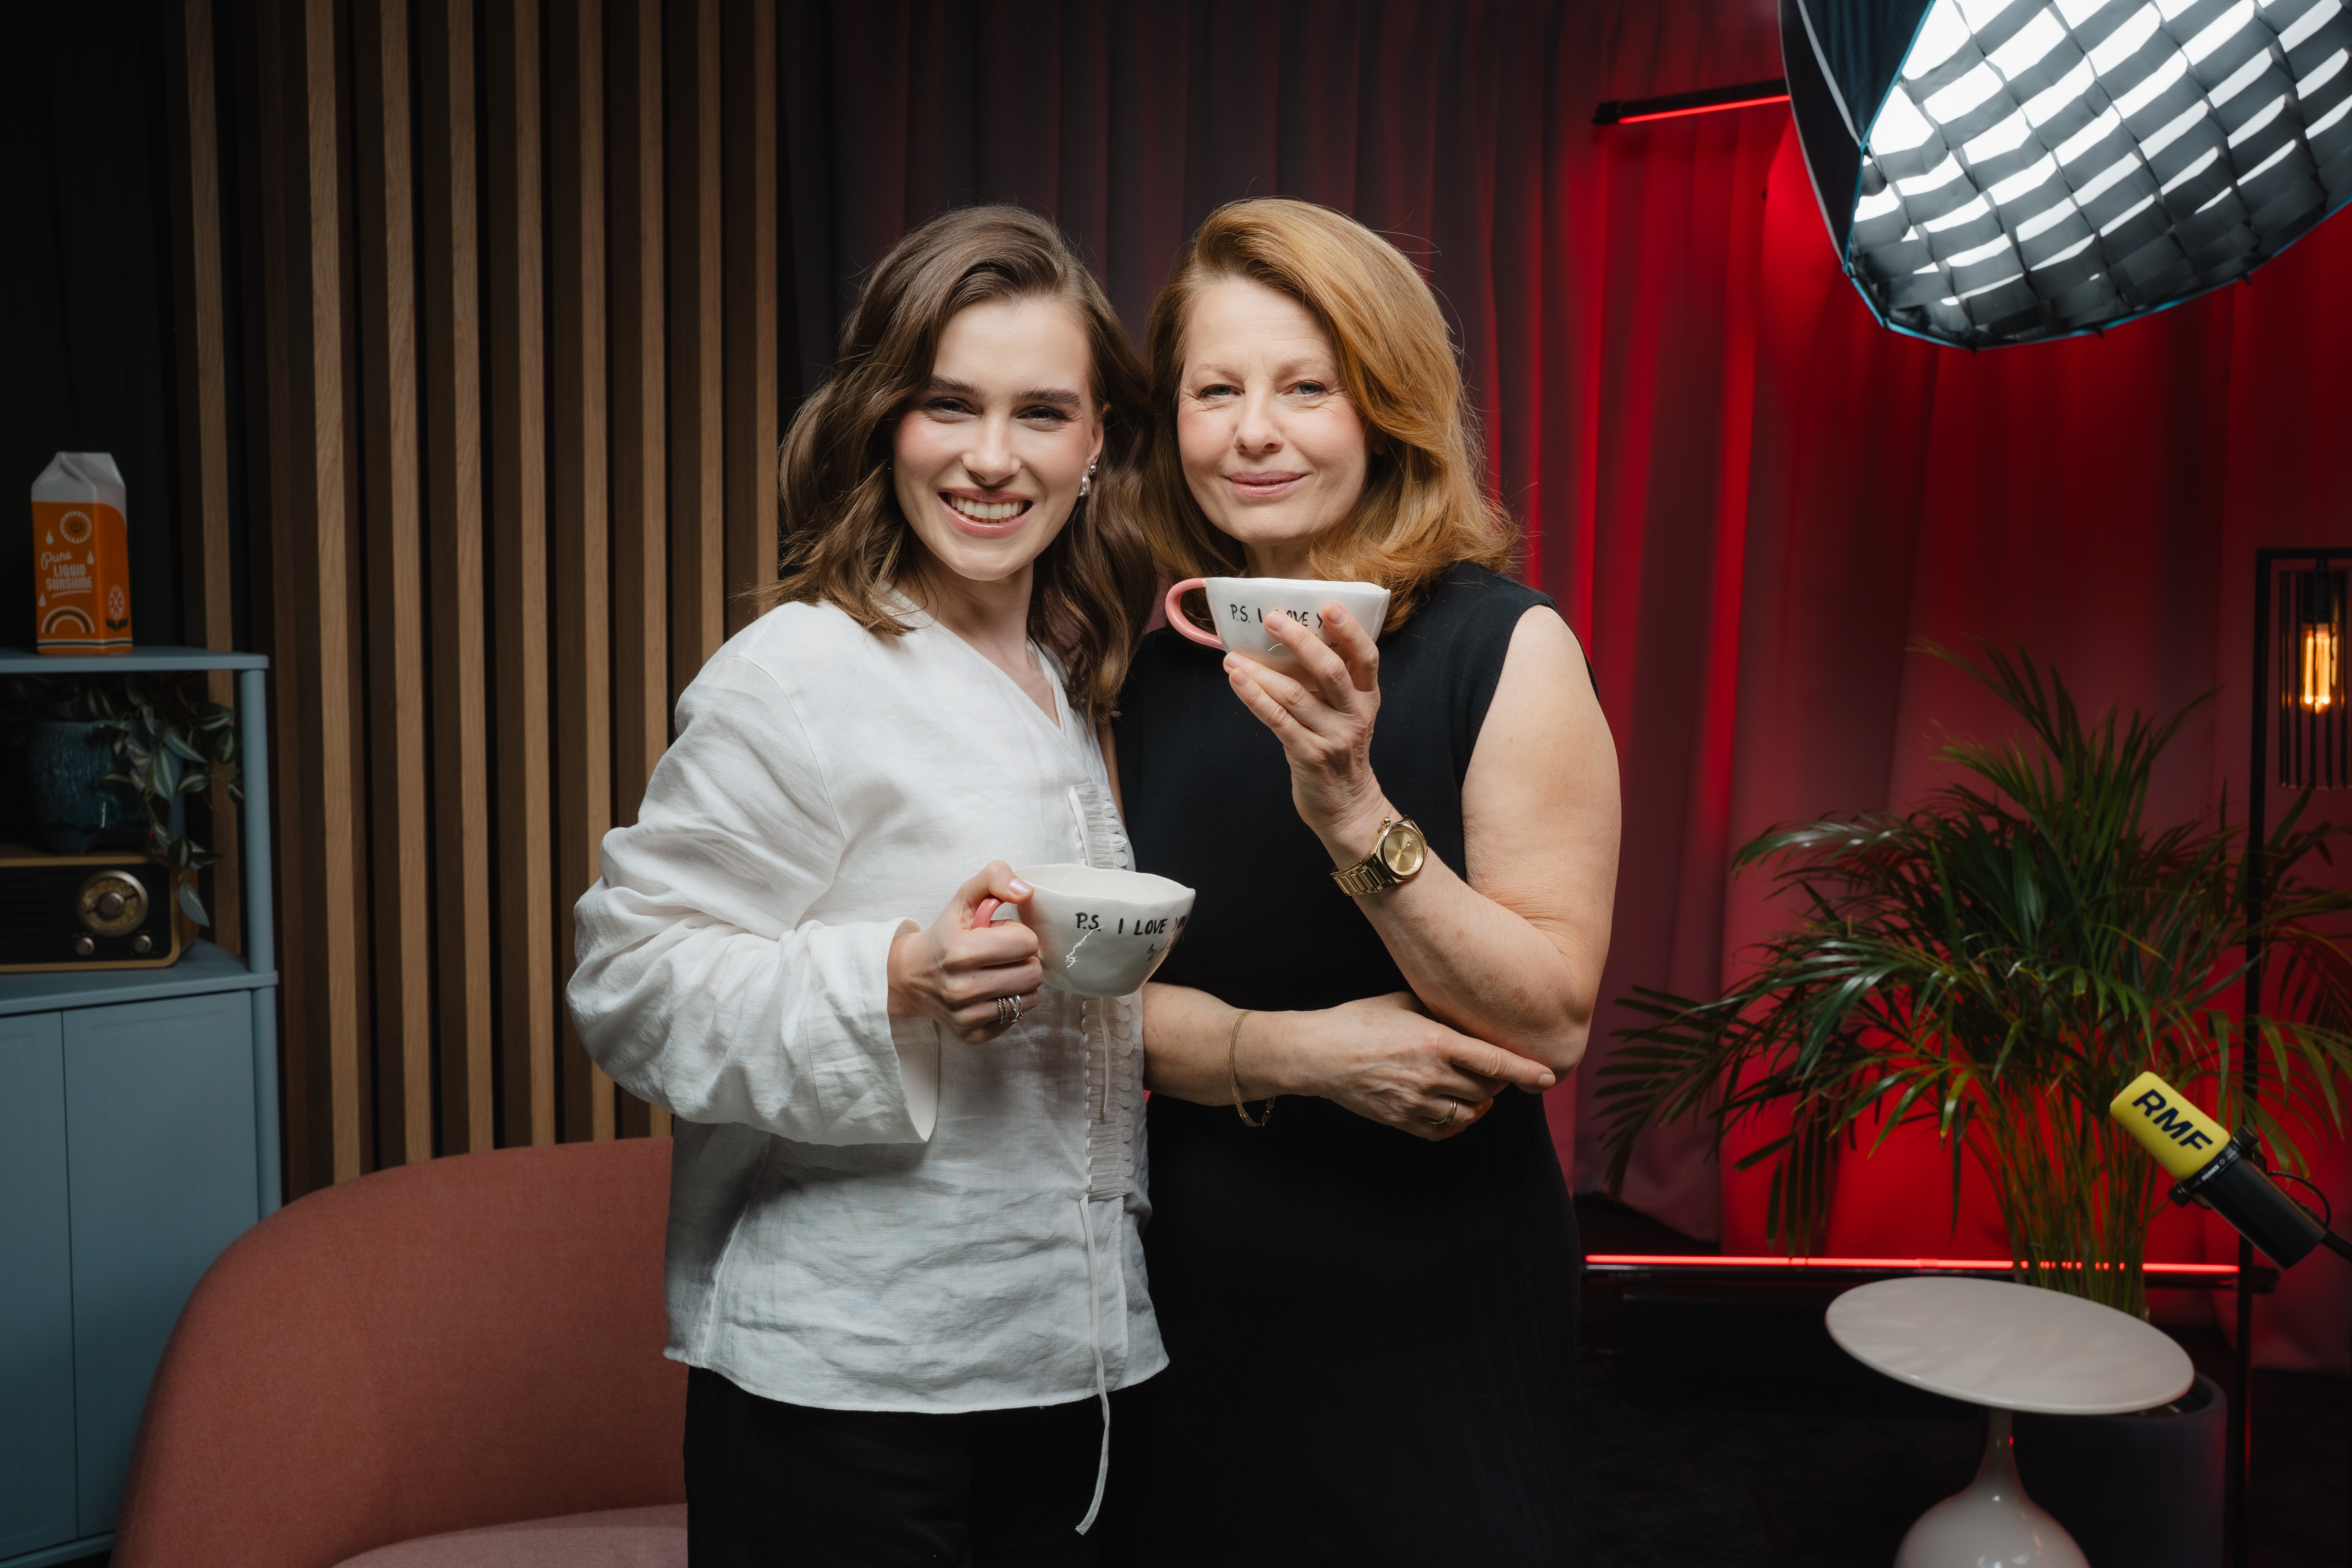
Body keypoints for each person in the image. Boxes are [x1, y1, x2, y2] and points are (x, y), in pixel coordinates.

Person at [568, 205, 1164, 1568]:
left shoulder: (1072, 676)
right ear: (884, 420)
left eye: (1041, 413)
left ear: (1097, 444)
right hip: (844, 1383)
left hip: (1068, 1365)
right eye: (948, 404)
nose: (992, 458)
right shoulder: (799, 672)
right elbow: (627, 982)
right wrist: (895, 975)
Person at [1101, 198, 1621, 1564]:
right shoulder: (1144, 676)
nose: (1253, 433)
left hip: (1439, 1280)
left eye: (1305, 389)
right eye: (1216, 391)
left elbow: (1550, 1018)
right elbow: (1093, 1009)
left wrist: (1352, 811)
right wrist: (1304, 1057)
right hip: (1196, 1276)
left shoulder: (1503, 649)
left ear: (1385, 409)